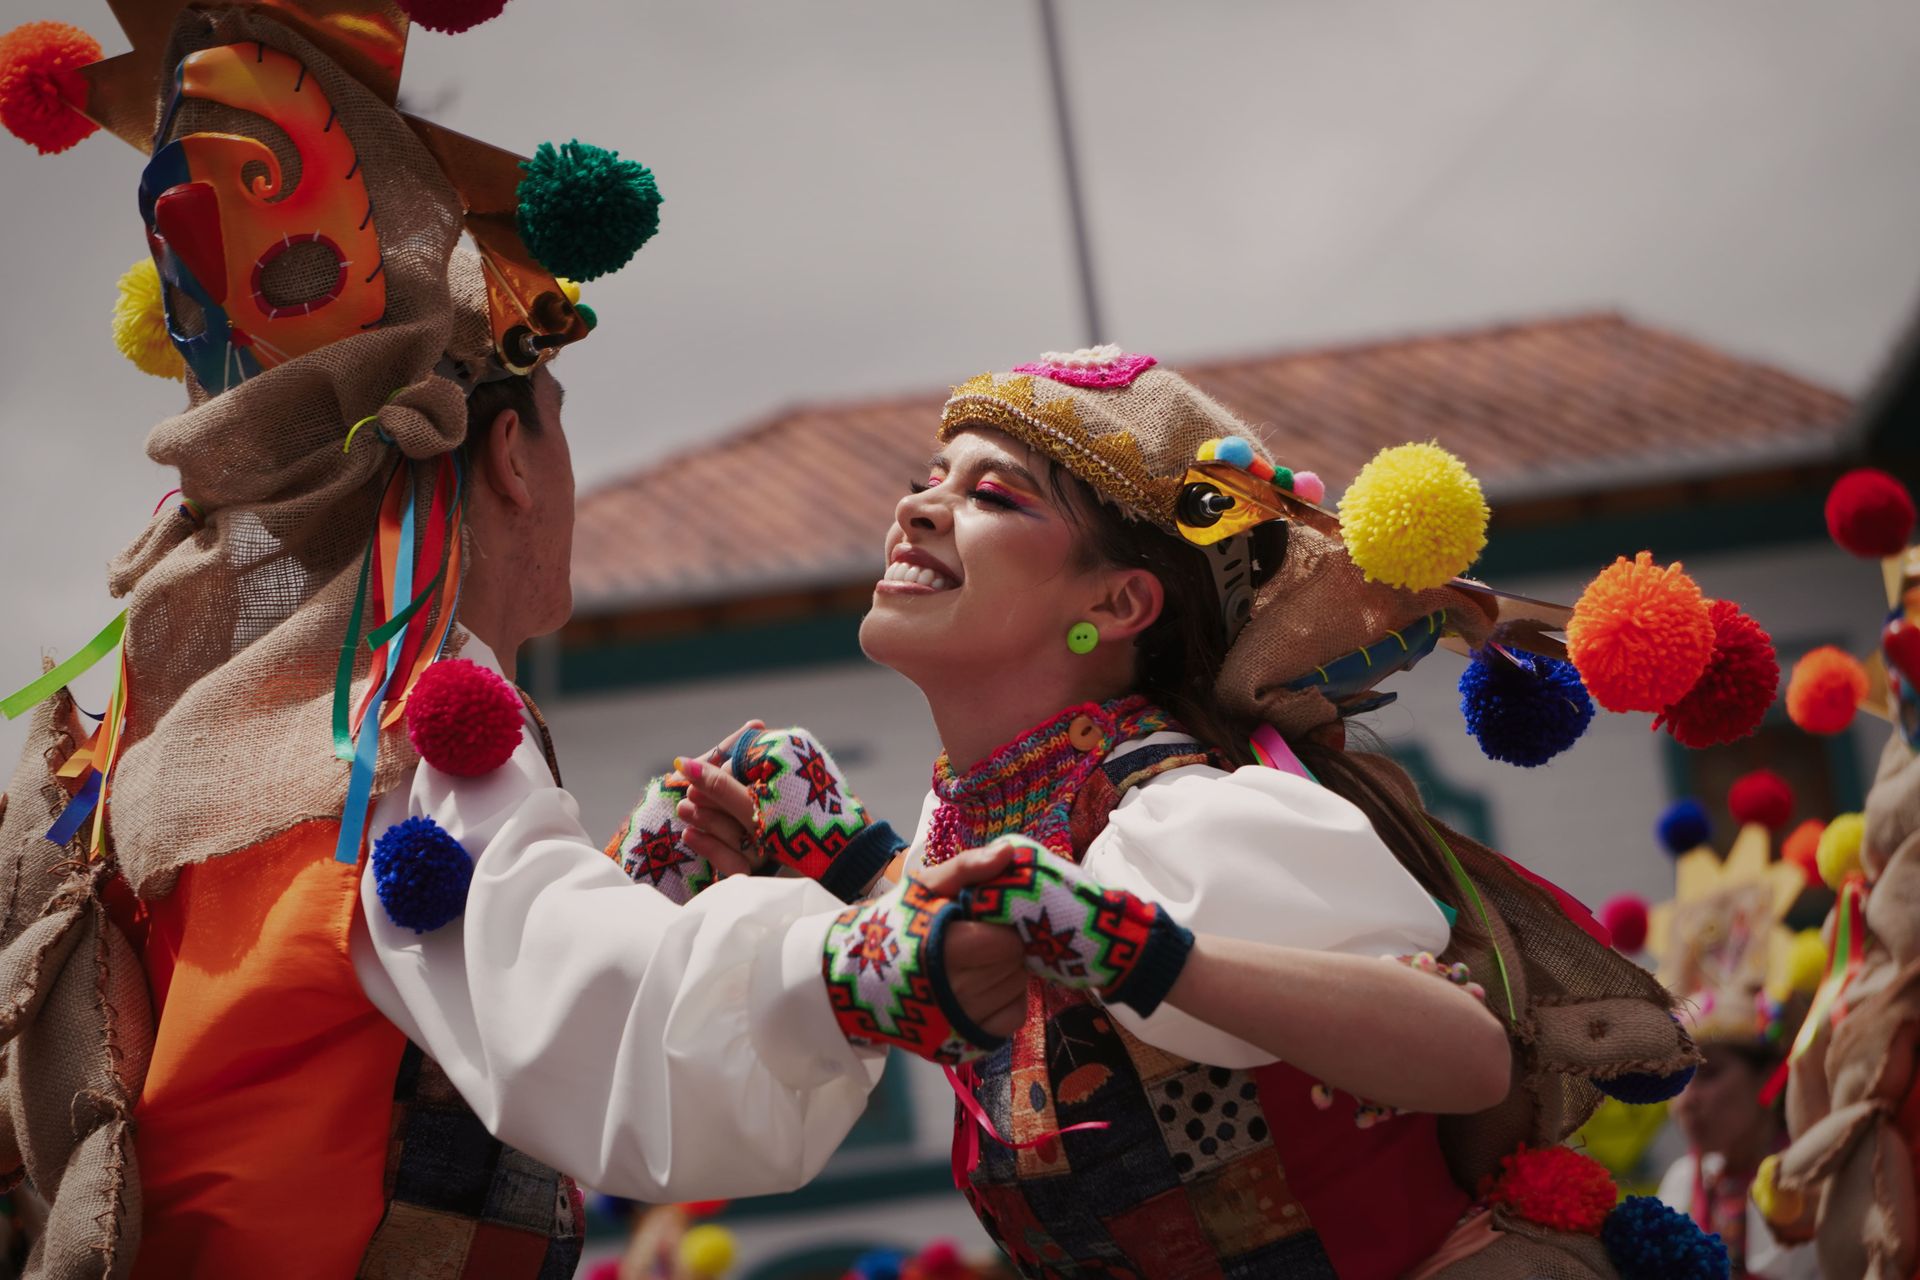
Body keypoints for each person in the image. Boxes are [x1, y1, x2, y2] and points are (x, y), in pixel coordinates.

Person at [0, 6, 1040, 1276]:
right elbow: (601, 1018)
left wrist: (644, 866)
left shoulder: (185, 740)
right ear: (508, 456)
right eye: (557, 418)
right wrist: (891, 945)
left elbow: (379, 1009)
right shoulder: (395, 730)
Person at [672, 348, 1718, 1278]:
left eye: (992, 494)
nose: (918, 508)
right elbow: (1010, 948)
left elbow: (1467, 1052)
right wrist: (843, 857)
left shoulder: (1187, 814)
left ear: (1117, 603)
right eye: (926, 480)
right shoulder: (1004, 818)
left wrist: (1138, 950)